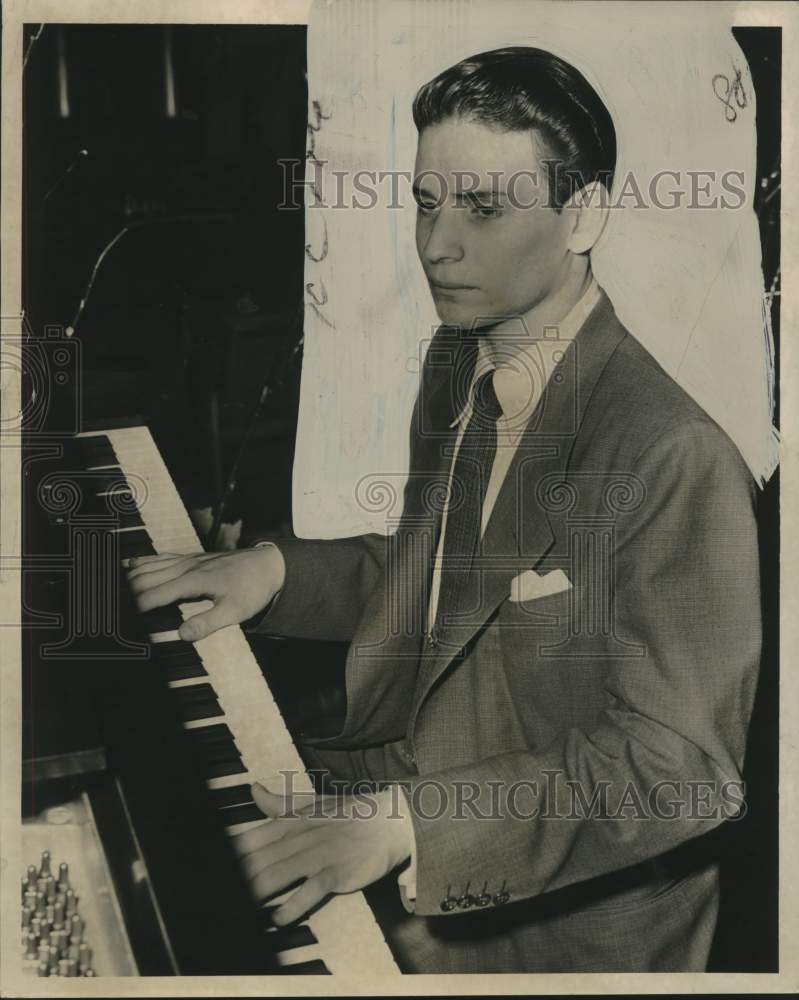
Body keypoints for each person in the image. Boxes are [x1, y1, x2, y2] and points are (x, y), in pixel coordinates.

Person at [126, 48, 762, 973]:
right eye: (427, 202)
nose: (435, 245)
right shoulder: (462, 357)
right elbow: (454, 582)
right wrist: (271, 571)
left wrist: (401, 827)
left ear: (581, 214)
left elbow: (679, 771)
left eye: (483, 208)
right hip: (419, 789)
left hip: (560, 932)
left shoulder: (674, 454)